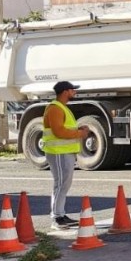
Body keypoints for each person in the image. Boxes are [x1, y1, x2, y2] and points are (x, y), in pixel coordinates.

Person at [43, 81, 89, 229]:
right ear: (65, 92)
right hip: (58, 153)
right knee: (61, 184)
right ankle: (57, 218)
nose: (74, 92)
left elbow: (63, 129)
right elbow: (59, 131)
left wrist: (78, 130)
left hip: (63, 153)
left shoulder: (61, 108)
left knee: (63, 184)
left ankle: (60, 214)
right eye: (72, 90)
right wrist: (79, 133)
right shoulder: (55, 108)